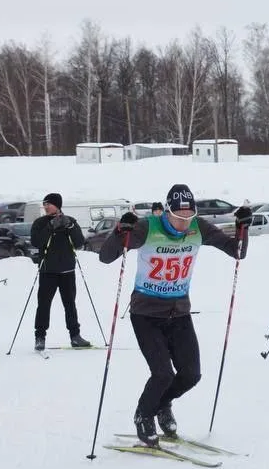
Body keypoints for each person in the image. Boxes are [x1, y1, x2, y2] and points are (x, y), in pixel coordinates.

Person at [98, 184, 251, 445]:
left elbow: (237, 251)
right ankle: (144, 415)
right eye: (179, 217)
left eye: (189, 216)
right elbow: (106, 256)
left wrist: (242, 227)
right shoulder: (147, 227)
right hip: (146, 314)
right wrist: (120, 231)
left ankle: (162, 404)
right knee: (162, 374)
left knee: (191, 374)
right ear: (167, 211)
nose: (184, 223)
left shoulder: (198, 228)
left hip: (179, 312)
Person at [29, 193, 89, 351]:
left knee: (70, 305)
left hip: (67, 270)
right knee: (44, 305)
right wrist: (50, 227)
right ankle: (40, 337)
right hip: (48, 271)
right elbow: (36, 242)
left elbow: (79, 242)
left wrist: (71, 227)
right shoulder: (40, 223)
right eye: (44, 204)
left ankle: (75, 336)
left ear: (57, 205)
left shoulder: (70, 221)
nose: (46, 206)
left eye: (48, 204)